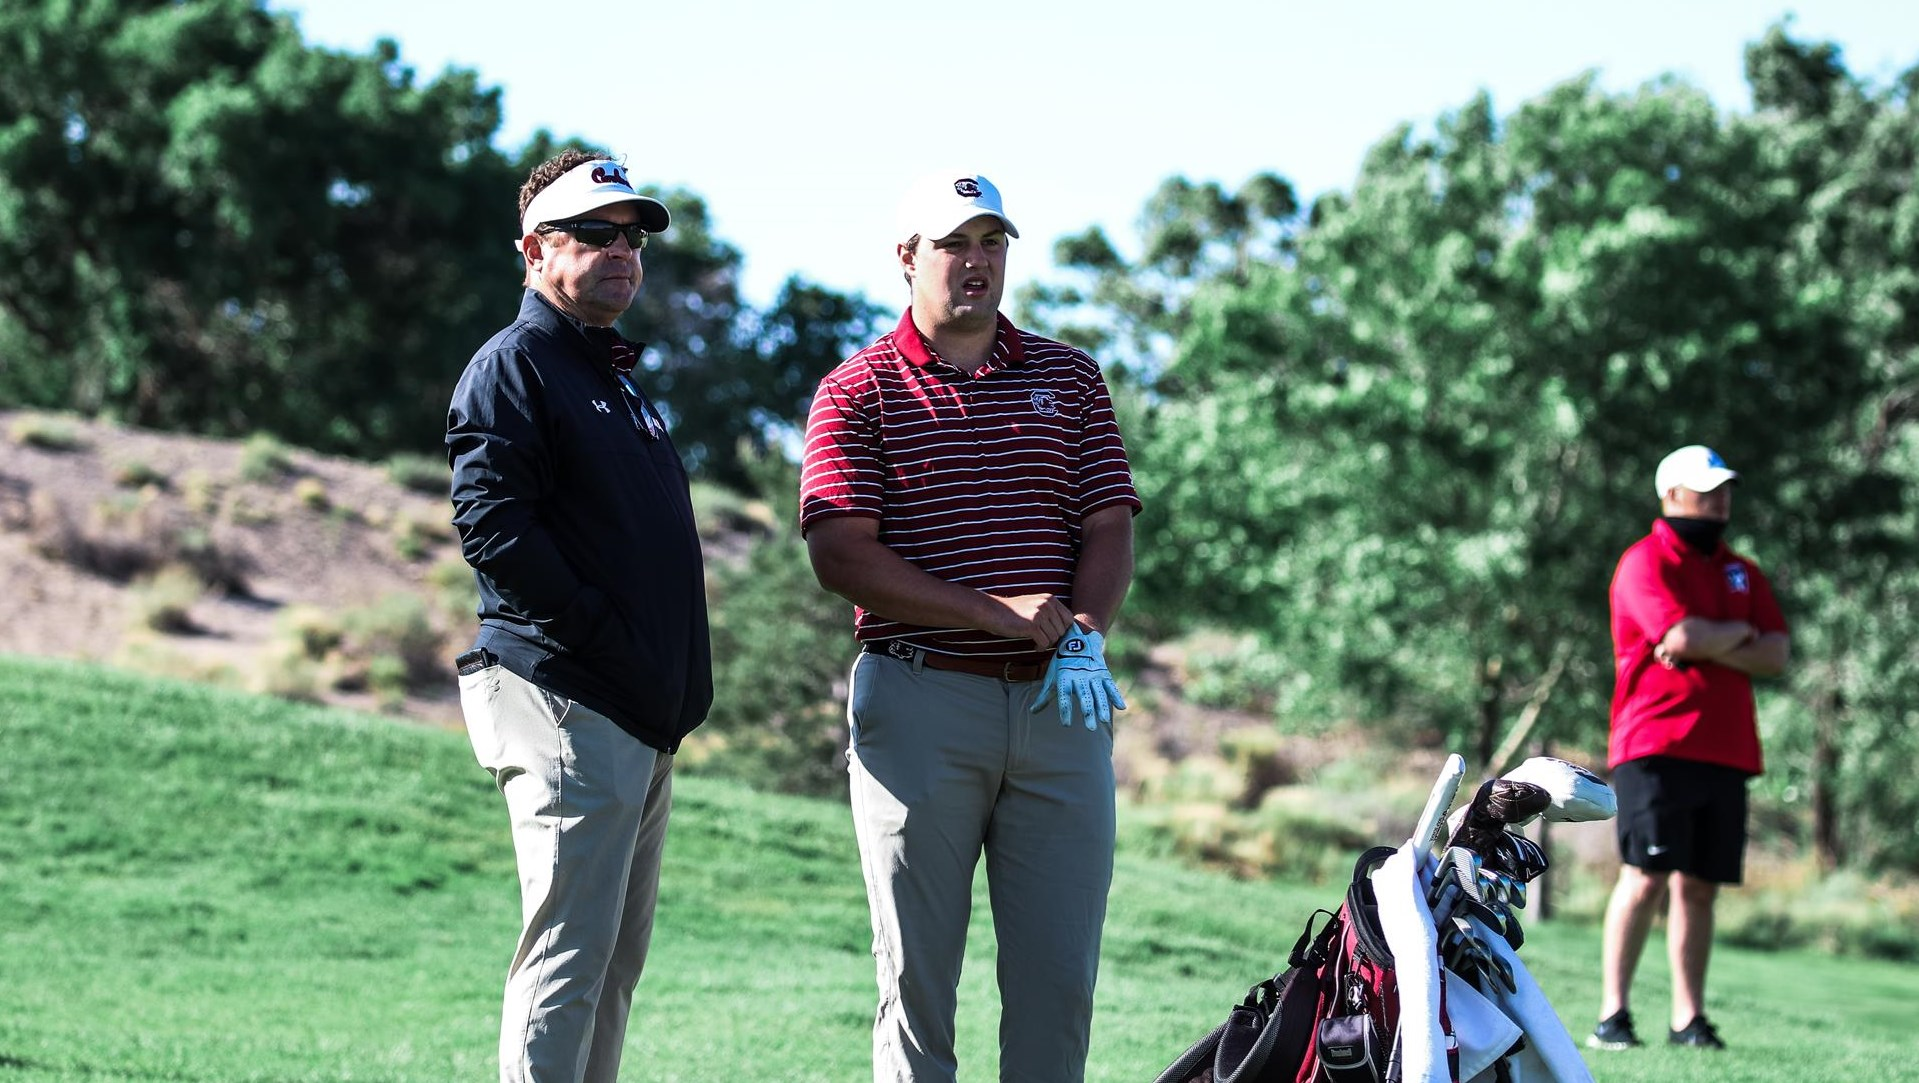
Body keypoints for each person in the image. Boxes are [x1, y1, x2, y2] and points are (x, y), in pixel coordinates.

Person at [799, 171, 1141, 1083]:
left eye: (993, 242)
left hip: (1060, 704)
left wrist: (1084, 632)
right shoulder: (855, 390)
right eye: (954, 244)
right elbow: (842, 557)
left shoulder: (1067, 376)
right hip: (920, 700)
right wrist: (1000, 616)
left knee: (1058, 985)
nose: (977, 262)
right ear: (906, 258)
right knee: (917, 984)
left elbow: (1108, 522)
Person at [446, 149, 712, 1083]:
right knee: (565, 960)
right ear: (533, 249)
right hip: (567, 698)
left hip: (630, 711)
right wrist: (600, 630)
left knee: (607, 968)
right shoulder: (515, 364)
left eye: (632, 237)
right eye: (594, 233)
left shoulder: (609, 377)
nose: (622, 252)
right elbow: (492, 526)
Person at [1590, 444, 1790, 1053]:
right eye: (1706, 491)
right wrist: (1734, 636)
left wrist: (1712, 639)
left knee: (1699, 885)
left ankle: (1688, 1021)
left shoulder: (1742, 570)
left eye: (1725, 490)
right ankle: (1613, 1017)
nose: (1719, 501)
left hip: (1725, 749)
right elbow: (1678, 634)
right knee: (1647, 875)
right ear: (1671, 496)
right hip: (1654, 742)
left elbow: (1776, 654)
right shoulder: (1644, 562)